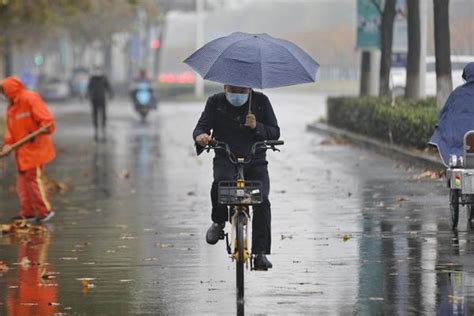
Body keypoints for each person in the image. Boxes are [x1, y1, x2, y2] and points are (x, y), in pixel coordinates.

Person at [193, 85, 280, 270]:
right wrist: (201, 136)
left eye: (242, 91)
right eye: (233, 90)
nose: (237, 95)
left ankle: (260, 253)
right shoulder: (215, 102)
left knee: (262, 200)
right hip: (226, 157)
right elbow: (201, 127)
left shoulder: (261, 102)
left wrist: (258, 126)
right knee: (220, 185)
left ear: (249, 89)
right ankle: (218, 222)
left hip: (255, 160)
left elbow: (274, 131)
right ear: (225, 87)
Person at [0, 76, 56, 223]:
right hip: (22, 152)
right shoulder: (12, 107)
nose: (3, 95)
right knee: (22, 183)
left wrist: (43, 128)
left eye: (3, 92)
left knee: (33, 179)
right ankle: (28, 211)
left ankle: (45, 210)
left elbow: (47, 122)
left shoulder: (30, 98)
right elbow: (11, 131)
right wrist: (7, 144)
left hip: (35, 149)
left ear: (9, 90)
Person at [87, 65, 113, 141]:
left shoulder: (104, 77)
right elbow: (89, 88)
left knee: (103, 115)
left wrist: (111, 94)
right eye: (97, 69)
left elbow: (108, 87)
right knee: (95, 115)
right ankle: (96, 131)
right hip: (94, 99)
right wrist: (88, 95)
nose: (98, 71)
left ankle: (103, 130)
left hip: (102, 99)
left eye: (99, 69)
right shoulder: (92, 78)